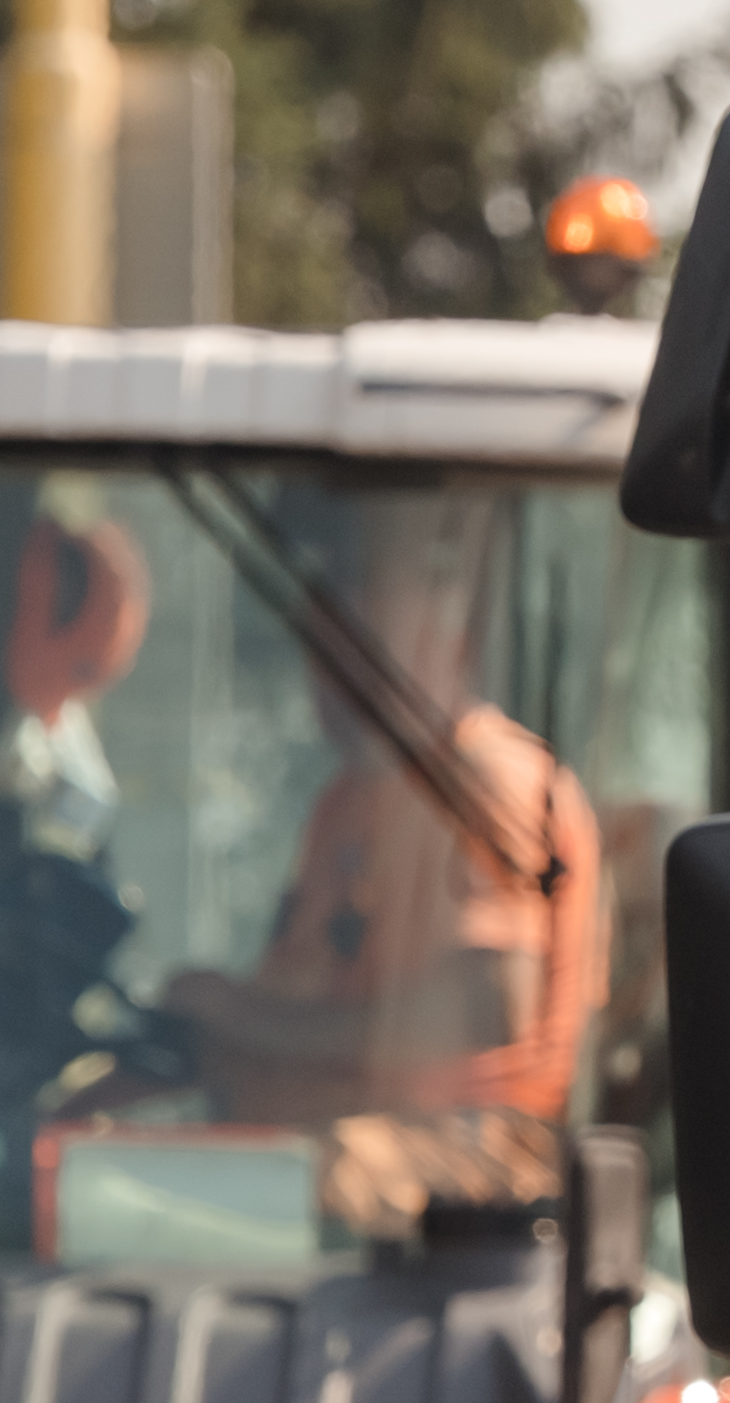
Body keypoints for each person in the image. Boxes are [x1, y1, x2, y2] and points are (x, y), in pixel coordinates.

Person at [156, 487, 604, 1227]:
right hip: (332, 1131)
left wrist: (252, 1022)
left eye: (359, 652)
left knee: (190, 1202)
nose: (328, 682)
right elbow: (315, 974)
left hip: (468, 1167)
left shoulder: (487, 783)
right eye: (319, 650)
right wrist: (210, 1022)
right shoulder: (349, 801)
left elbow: (486, 1006)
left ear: (433, 638)